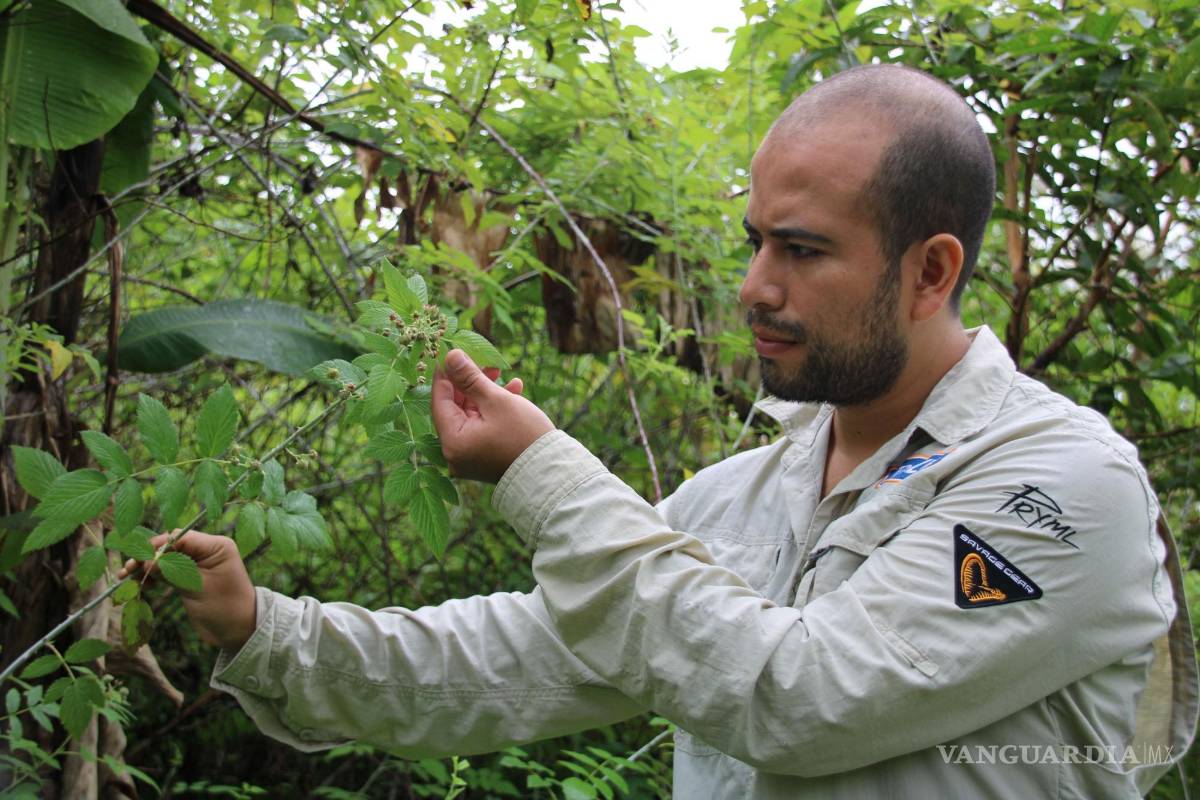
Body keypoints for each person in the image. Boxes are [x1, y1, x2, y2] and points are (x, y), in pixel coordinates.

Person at [125, 65, 1197, 797]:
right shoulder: (747, 490)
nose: (752, 286)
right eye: (752, 241)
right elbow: (519, 658)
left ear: (930, 270)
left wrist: (542, 474)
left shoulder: (1062, 485)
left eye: (803, 250)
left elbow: (806, 695)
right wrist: (266, 627)